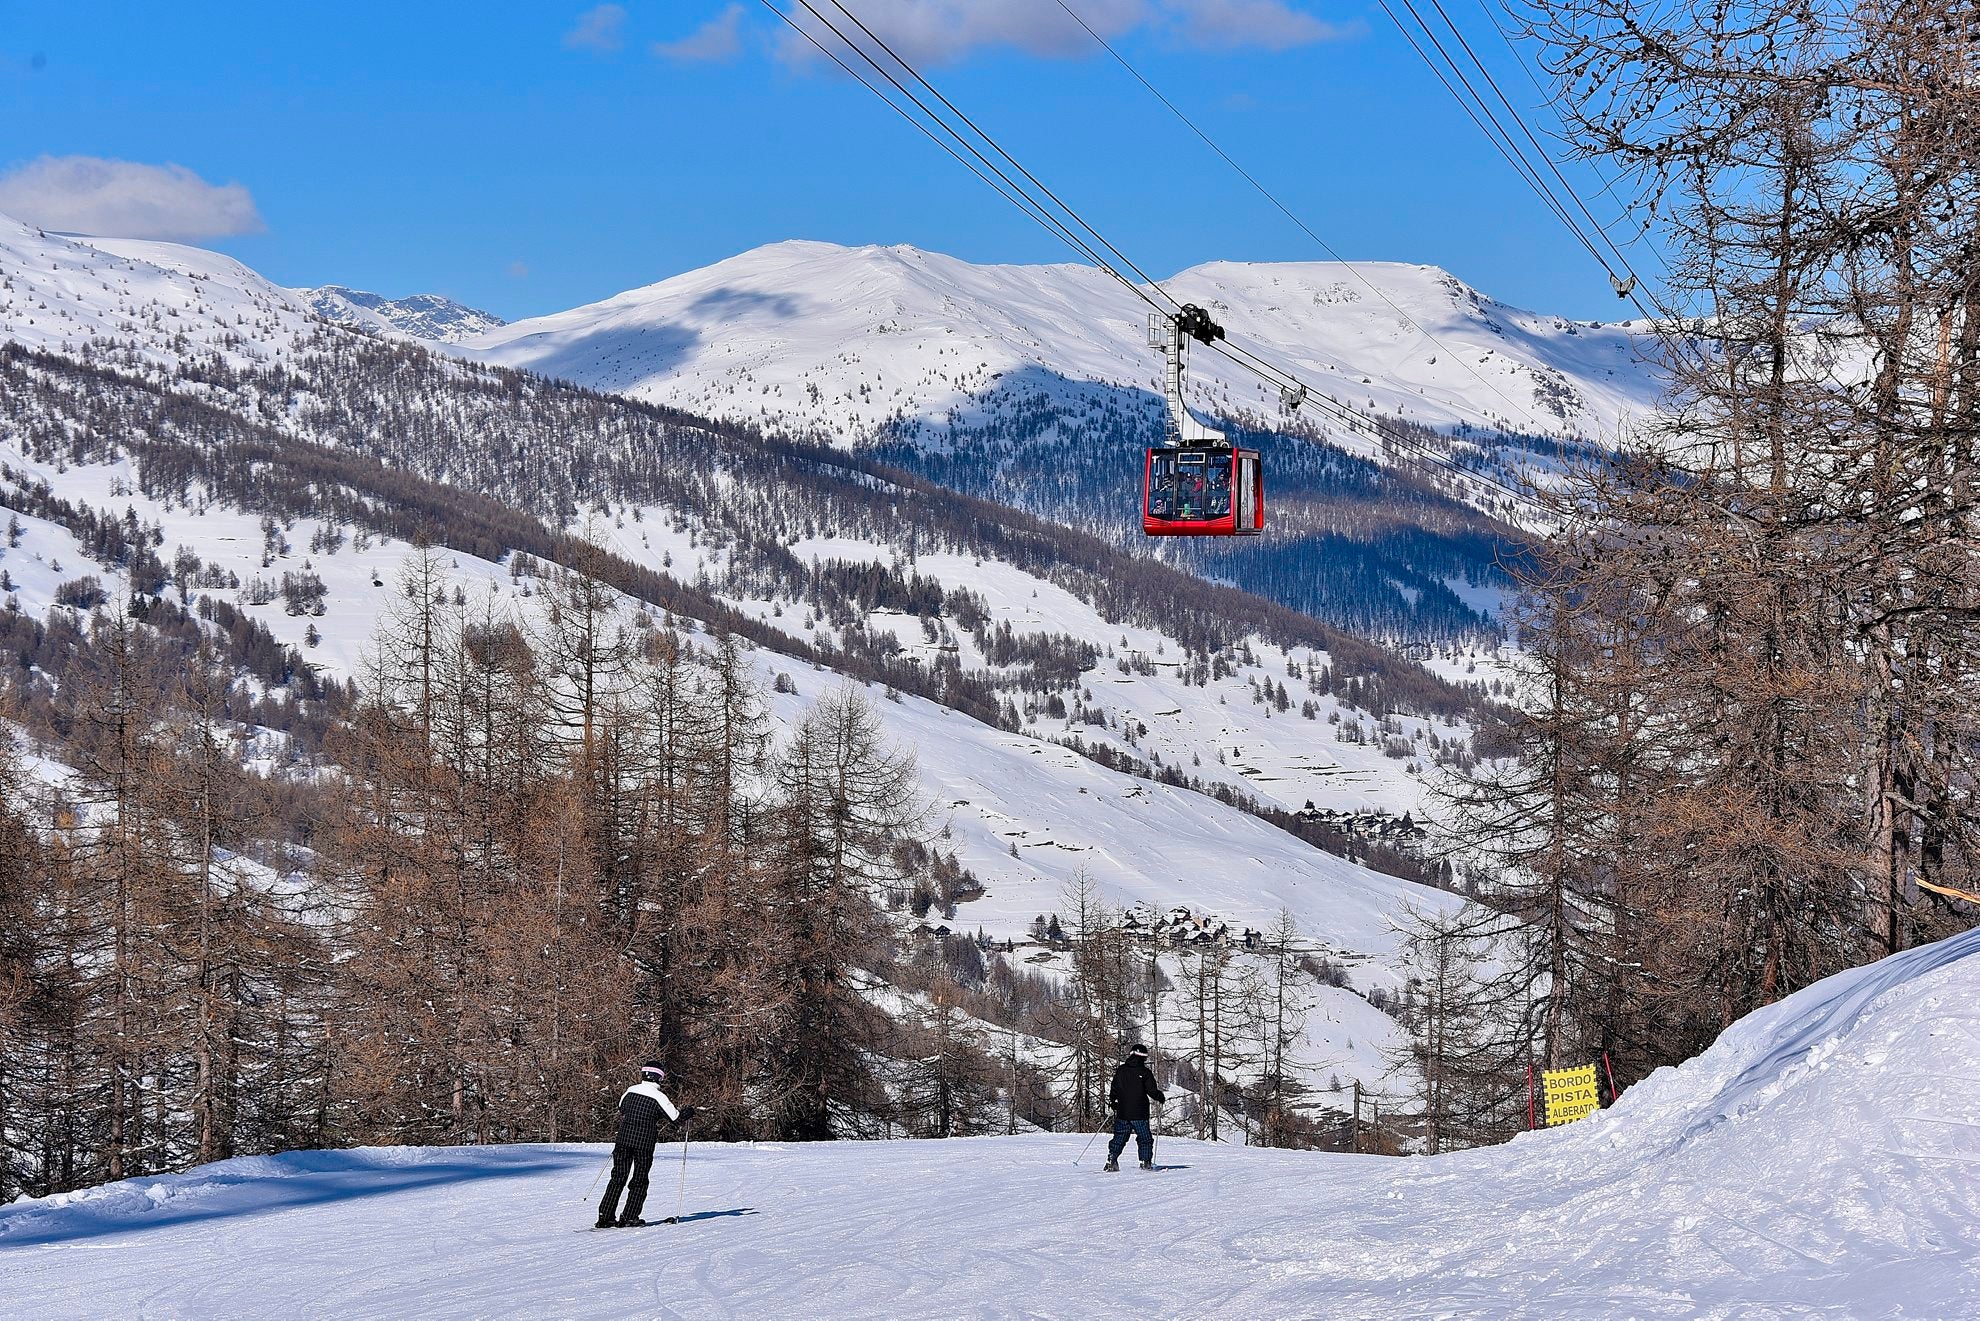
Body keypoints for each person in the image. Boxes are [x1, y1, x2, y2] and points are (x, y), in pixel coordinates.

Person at [596, 1062, 694, 1228]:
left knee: (618, 1177)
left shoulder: (630, 1090)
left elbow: (622, 1108)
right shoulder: (659, 1097)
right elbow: (675, 1119)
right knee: (640, 1179)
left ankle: (605, 1216)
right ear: (659, 1078)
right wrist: (688, 1113)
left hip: (623, 1140)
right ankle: (629, 1216)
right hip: (644, 1143)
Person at [1104, 1043, 1165, 1172]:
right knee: (1144, 1138)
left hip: (1122, 1112)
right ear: (1143, 1057)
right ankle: (1145, 1162)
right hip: (1139, 1113)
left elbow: (1114, 1088)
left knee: (1119, 1137)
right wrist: (1160, 1097)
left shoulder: (1121, 1070)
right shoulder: (1145, 1072)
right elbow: (1152, 1091)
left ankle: (1112, 1159)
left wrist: (1113, 1102)